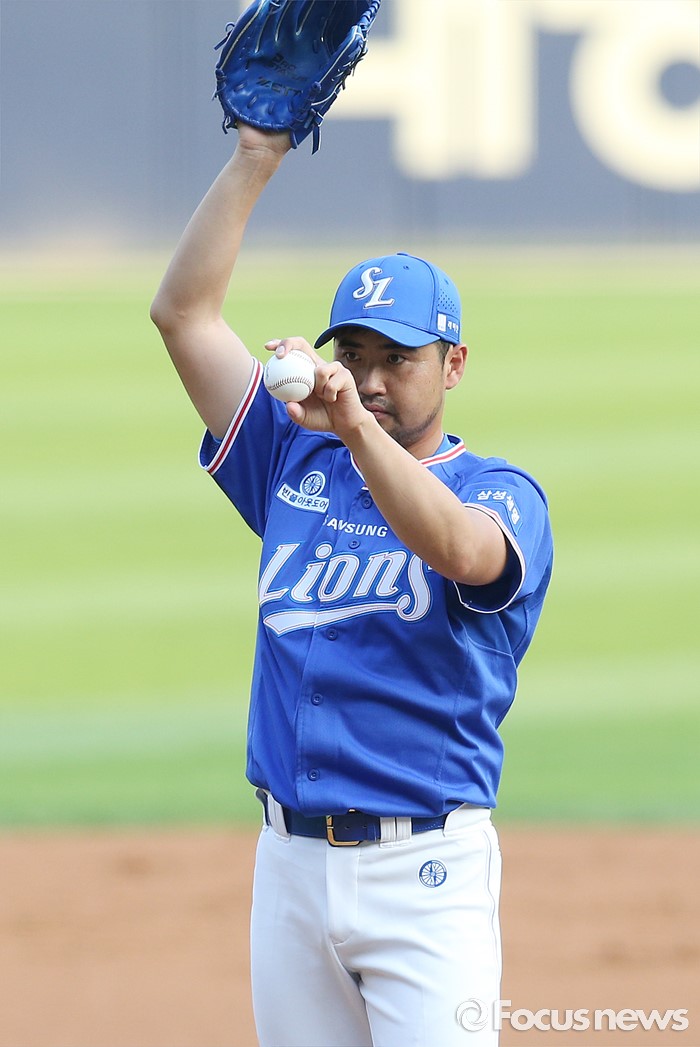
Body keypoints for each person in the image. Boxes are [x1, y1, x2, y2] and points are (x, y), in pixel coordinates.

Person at [151, 122, 553, 1047]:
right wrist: (256, 158)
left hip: (426, 877)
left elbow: (460, 551)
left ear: (454, 365)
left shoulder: (500, 492)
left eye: (398, 360)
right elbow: (183, 316)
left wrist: (353, 429)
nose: (370, 380)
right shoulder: (290, 460)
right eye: (357, 355)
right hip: (287, 868)